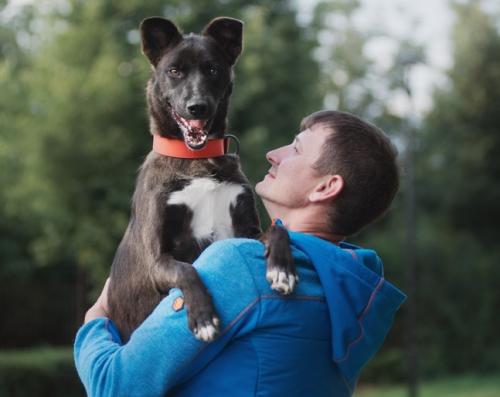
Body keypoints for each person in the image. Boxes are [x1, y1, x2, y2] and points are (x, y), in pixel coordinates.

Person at [74, 110, 406, 397]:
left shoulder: (242, 266)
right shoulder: (353, 287)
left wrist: (97, 319)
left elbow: (113, 385)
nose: (274, 154)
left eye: (296, 149)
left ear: (325, 187)